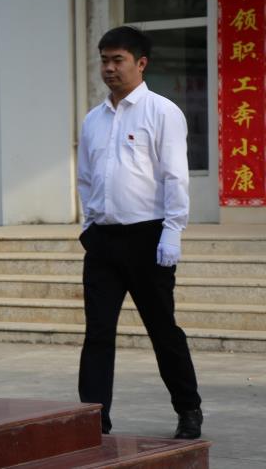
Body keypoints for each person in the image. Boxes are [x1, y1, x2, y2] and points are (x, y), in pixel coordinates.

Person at [76, 26, 203, 439]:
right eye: (104, 60)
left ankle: (188, 409)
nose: (109, 69)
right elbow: (85, 178)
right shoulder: (93, 120)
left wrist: (172, 232)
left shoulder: (162, 112)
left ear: (141, 63)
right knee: (98, 333)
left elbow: (175, 176)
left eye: (119, 60)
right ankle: (93, 417)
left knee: (163, 329)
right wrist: (89, 225)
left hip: (148, 238)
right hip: (103, 241)